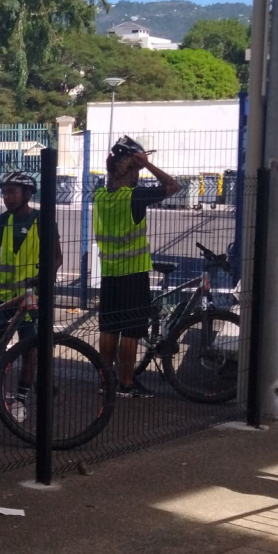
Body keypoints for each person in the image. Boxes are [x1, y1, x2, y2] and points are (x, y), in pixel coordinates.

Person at [0, 167, 61, 415]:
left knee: (29, 349)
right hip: (1, 296)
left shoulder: (42, 220)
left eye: (12, 192)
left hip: (31, 298)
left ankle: (20, 399)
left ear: (27, 193)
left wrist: (43, 279)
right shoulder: (4, 221)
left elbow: (57, 257)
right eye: (4, 193)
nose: (7, 197)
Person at [92, 136, 180, 394]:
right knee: (131, 330)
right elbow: (173, 186)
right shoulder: (134, 197)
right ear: (133, 171)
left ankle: (106, 381)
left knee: (109, 328)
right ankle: (126, 383)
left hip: (109, 273)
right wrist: (148, 164)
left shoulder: (100, 196)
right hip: (132, 273)